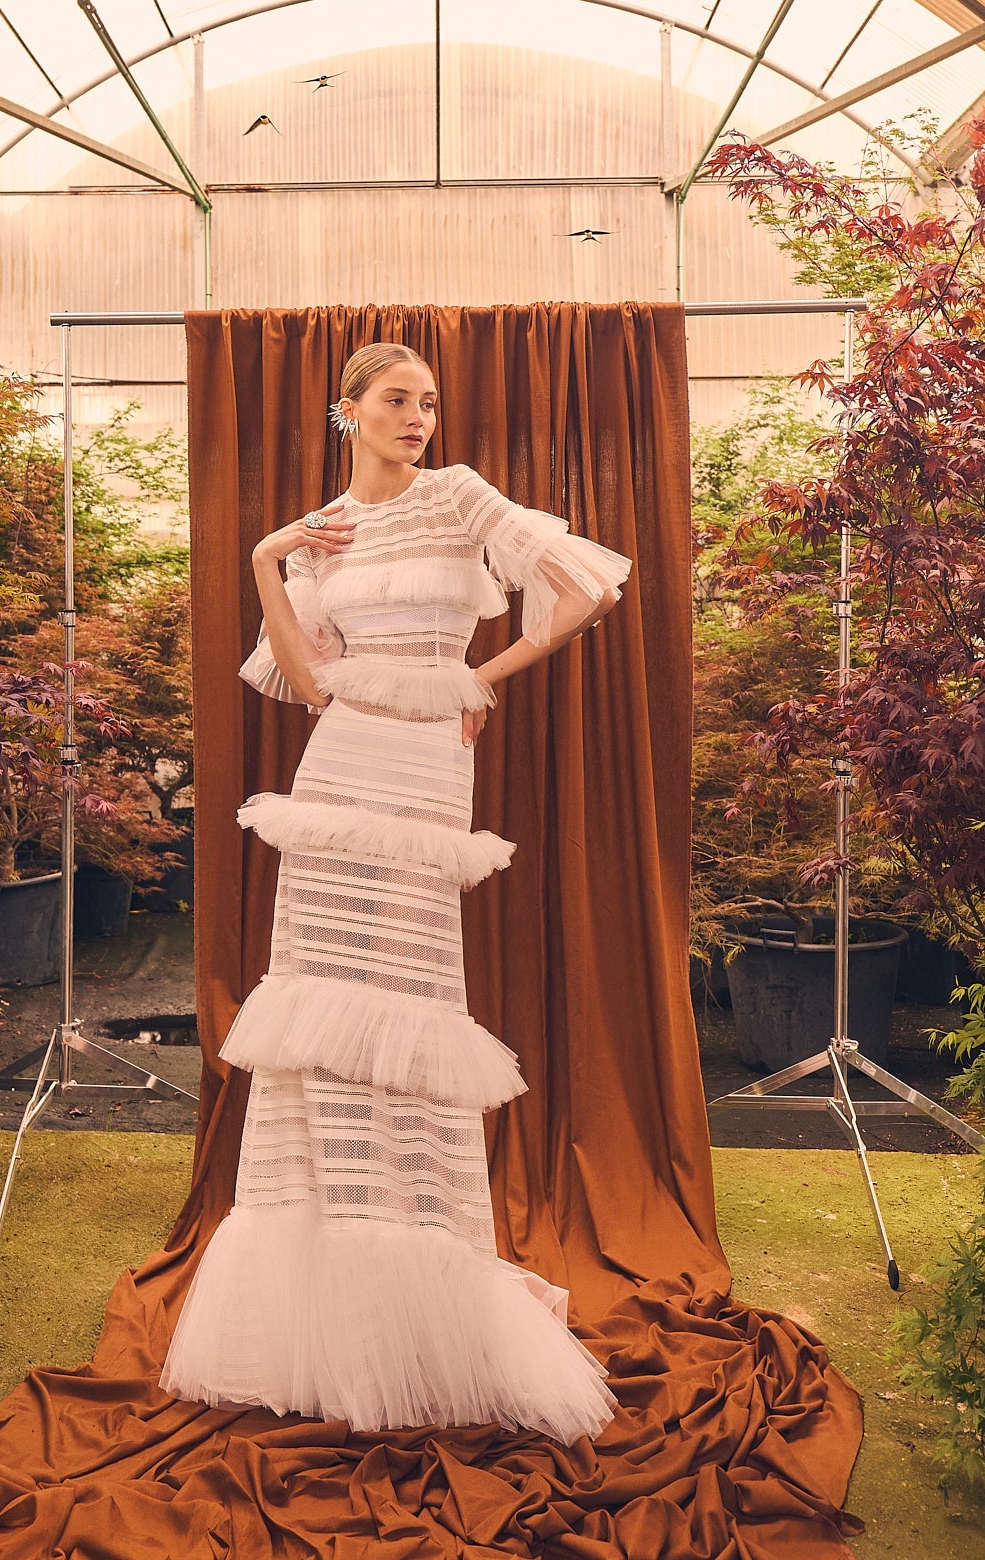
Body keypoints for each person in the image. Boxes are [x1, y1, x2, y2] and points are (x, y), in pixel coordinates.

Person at [160, 342, 632, 1439]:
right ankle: (323, 1294)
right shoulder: (324, 527)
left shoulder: (458, 494)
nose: (417, 417)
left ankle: (426, 1275)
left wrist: (477, 681)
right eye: (396, 400)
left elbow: (586, 589)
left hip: (422, 771)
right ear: (349, 411)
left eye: (427, 402)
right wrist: (266, 560)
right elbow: (304, 681)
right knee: (319, 1009)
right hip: (337, 770)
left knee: (409, 1005)